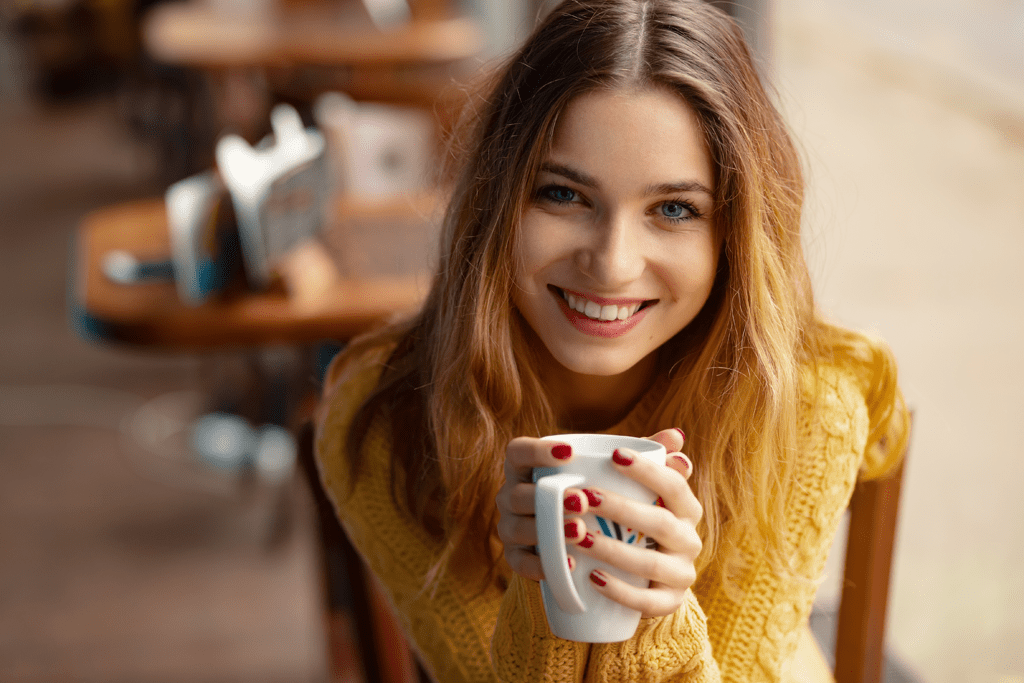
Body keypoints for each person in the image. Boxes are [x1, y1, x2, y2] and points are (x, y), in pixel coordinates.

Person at [315, 0, 910, 680]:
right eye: (564, 195)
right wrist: (549, 592)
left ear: (735, 236)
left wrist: (656, 612)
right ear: (494, 199)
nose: (613, 262)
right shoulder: (386, 418)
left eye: (675, 209)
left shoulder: (803, 406)